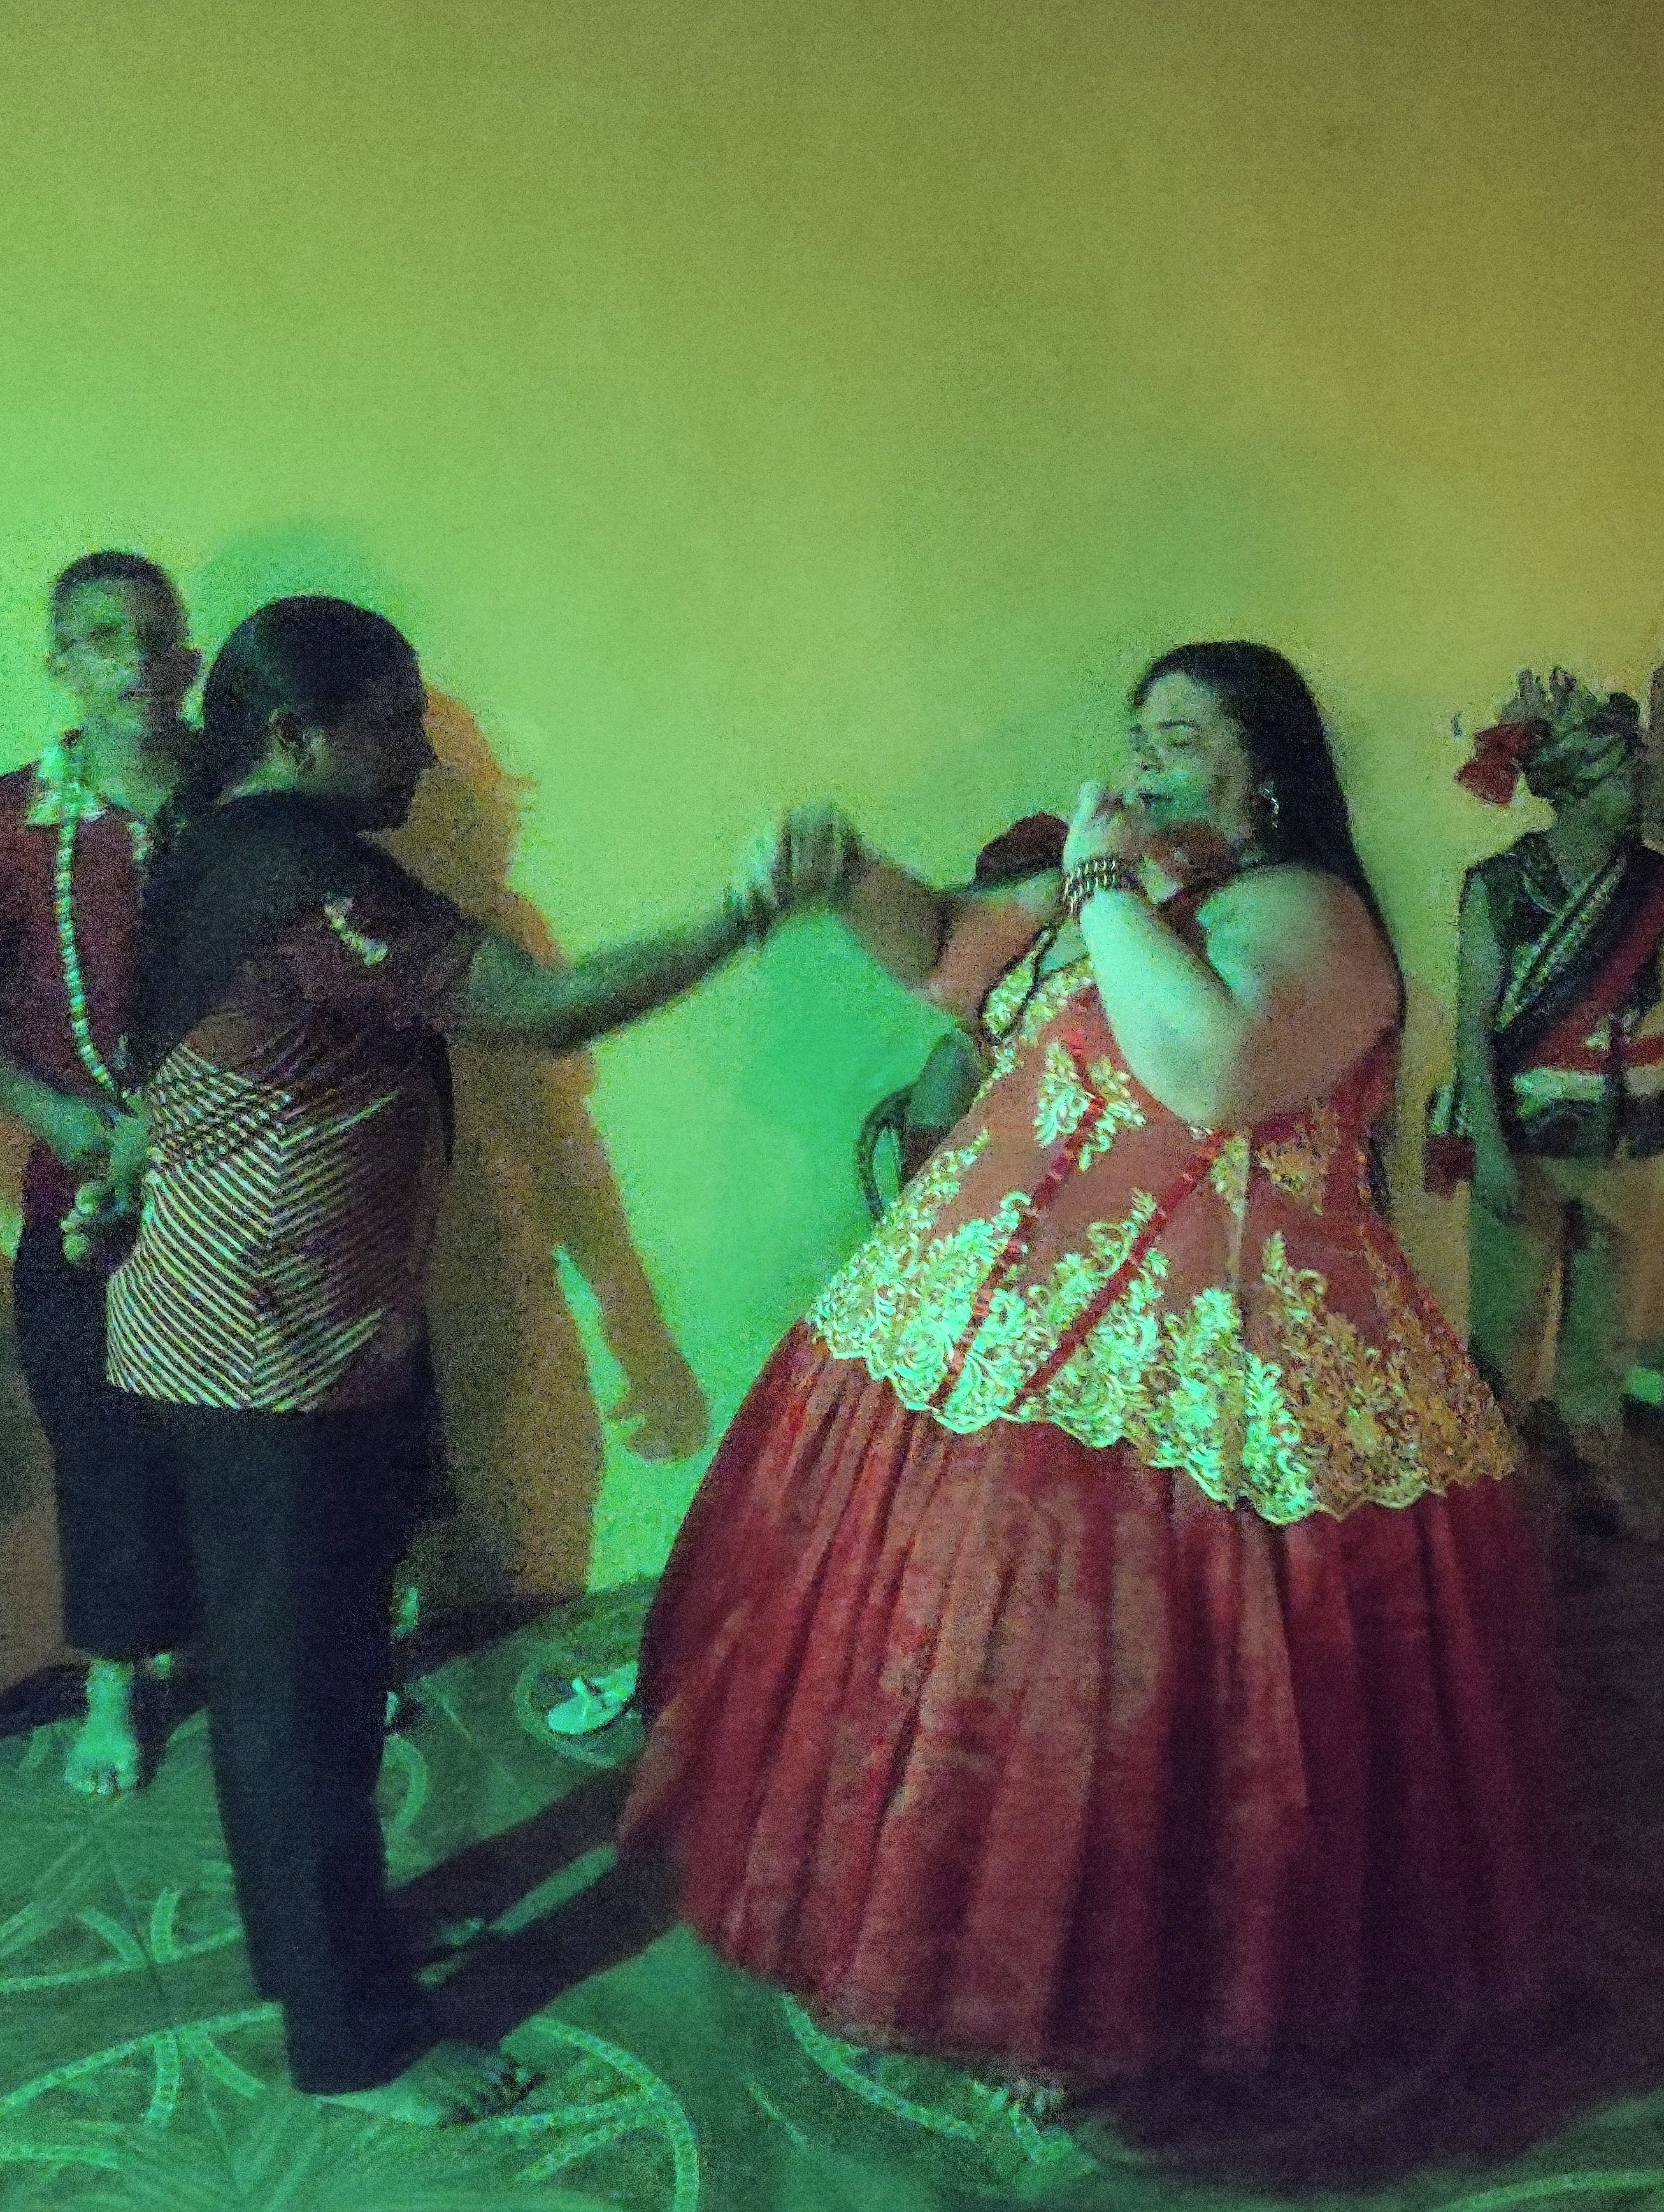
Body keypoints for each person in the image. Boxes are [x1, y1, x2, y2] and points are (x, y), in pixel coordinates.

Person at [619, 642, 1558, 2107]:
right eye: (1136, 732)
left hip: (1216, 1375)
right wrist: (846, 869)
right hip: (1003, 1330)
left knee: (1153, 1695)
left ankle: (1146, 1995)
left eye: (1182, 733)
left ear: (1269, 769)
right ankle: (987, 1961)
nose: (1143, 758)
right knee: (983, 1676)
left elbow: (1214, 1073)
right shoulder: (1121, 895)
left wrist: (1103, 883)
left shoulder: (1305, 910)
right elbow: (950, 955)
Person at [88, 594, 814, 2125]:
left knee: (315, 1685)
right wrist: (747, 908)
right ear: (297, 735)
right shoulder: (300, 870)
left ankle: (327, 1946)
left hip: (267, 1336)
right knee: (300, 1702)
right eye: (394, 723)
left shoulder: (222, 845)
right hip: (264, 1357)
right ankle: (352, 2041)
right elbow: (542, 1011)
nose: (422, 756)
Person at [0, 551, 197, 1797]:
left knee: (260, 1437)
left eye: (155, 636)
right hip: (82, 1197)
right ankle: (116, 1683)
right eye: (102, 638)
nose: (134, 661)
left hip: (239, 1185)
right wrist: (48, 1113)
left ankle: (292, 1650)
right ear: (58, 662)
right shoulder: (13, 822)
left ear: (189, 658)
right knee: (103, 1439)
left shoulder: (241, 802)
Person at [1427, 669, 1664, 1540]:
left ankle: (1595, 1467)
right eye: (1621, 775)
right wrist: (1488, 1146)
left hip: (1629, 1137)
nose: (1637, 788)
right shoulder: (1499, 884)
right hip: (1524, 1140)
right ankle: (1495, 1484)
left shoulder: (1654, 883)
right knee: (1506, 1322)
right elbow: (1474, 1027)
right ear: (1572, 787)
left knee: (1607, 1326)